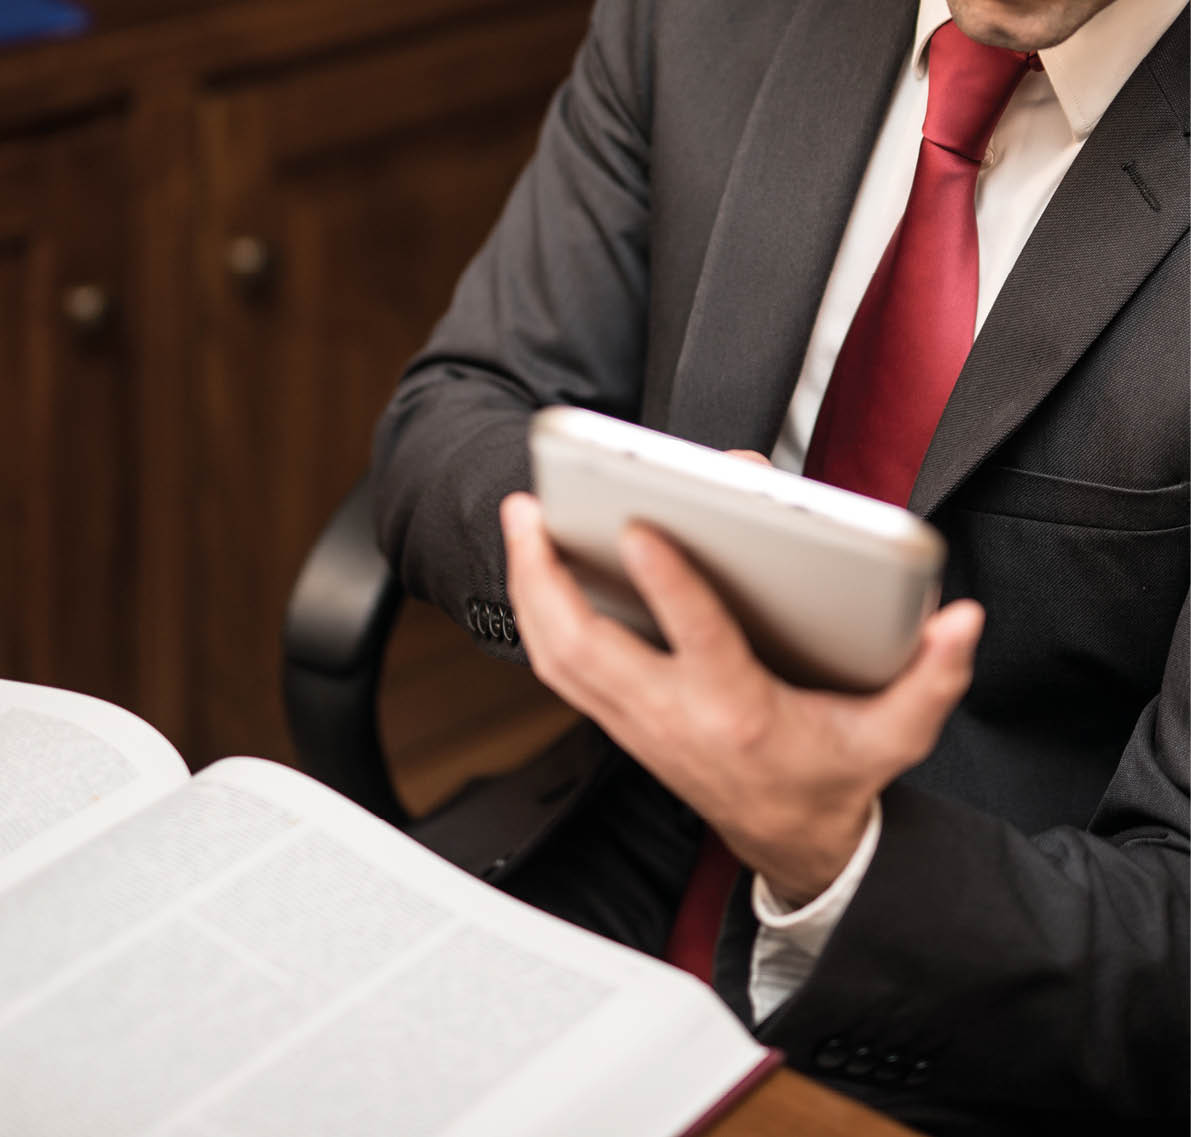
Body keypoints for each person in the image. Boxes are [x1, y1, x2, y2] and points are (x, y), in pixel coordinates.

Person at [371, 0, 1189, 1131]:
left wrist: (824, 843)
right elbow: (447, 420)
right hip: (624, 829)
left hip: (1002, 969)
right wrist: (649, 562)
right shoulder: (703, 21)